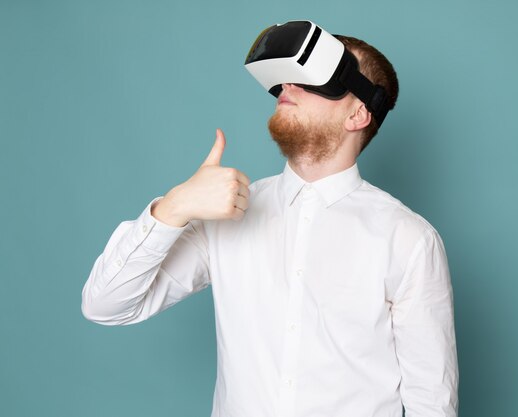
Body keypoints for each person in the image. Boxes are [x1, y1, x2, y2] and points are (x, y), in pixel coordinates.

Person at [82, 24, 458, 417]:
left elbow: (432, 401)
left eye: (313, 79)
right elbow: (105, 305)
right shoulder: (225, 213)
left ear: (358, 113)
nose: (286, 88)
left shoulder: (409, 239)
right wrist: (173, 208)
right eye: (287, 78)